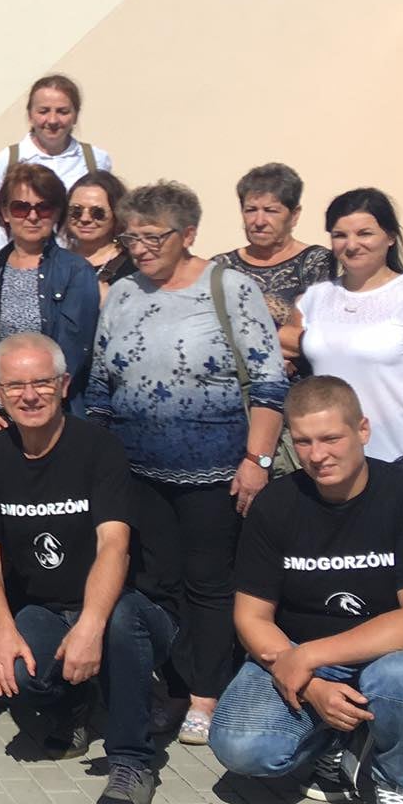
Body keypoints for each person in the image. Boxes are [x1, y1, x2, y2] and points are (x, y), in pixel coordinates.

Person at [210, 377, 403, 804]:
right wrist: (310, 685)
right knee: (241, 747)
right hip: (304, 657)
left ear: (363, 431)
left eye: (331, 438)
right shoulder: (276, 503)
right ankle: (340, 742)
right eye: (303, 441)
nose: (317, 455)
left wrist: (308, 656)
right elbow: (251, 617)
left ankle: (399, 784)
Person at [85, 181, 285, 748]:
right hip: (137, 472)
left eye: (154, 237)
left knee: (209, 585)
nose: (140, 248)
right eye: (131, 237)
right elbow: (100, 384)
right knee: (156, 583)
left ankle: (206, 694)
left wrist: (257, 460)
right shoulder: (122, 293)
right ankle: (173, 688)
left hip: (216, 473)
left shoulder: (229, 288)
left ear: (189, 234)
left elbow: (269, 383)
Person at [0, 335, 175, 804]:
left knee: (119, 622)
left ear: (64, 385)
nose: (29, 395)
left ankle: (131, 760)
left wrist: (89, 626)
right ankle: (76, 706)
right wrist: (2, 629)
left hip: (127, 605)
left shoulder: (98, 447)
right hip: (45, 606)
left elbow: (114, 544)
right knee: (20, 670)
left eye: (42, 382)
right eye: (15, 386)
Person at [283, 189, 403, 474]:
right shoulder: (312, 300)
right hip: (329, 466)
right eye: (340, 235)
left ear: (390, 236)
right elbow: (287, 355)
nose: (351, 245)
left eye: (364, 233)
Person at [0, 163, 98, 428]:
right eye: (20, 207)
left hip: (42, 422)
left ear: (57, 213)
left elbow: (70, 355)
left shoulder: (75, 272)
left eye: (43, 207)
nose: (32, 216)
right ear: (5, 213)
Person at [0, 75, 111, 251]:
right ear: (30, 115)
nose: (53, 120)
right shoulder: (1, 162)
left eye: (62, 111)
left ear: (75, 115)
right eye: (43, 111)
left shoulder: (96, 160)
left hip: (78, 258)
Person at [217, 163, 336, 333]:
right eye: (251, 210)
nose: (259, 221)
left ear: (294, 215)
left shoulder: (317, 263)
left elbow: (315, 334)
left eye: (271, 211)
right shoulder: (222, 266)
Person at [66, 170, 133, 291]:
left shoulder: (134, 267)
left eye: (98, 212)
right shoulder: (51, 262)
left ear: (116, 213)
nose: (85, 219)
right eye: (76, 210)